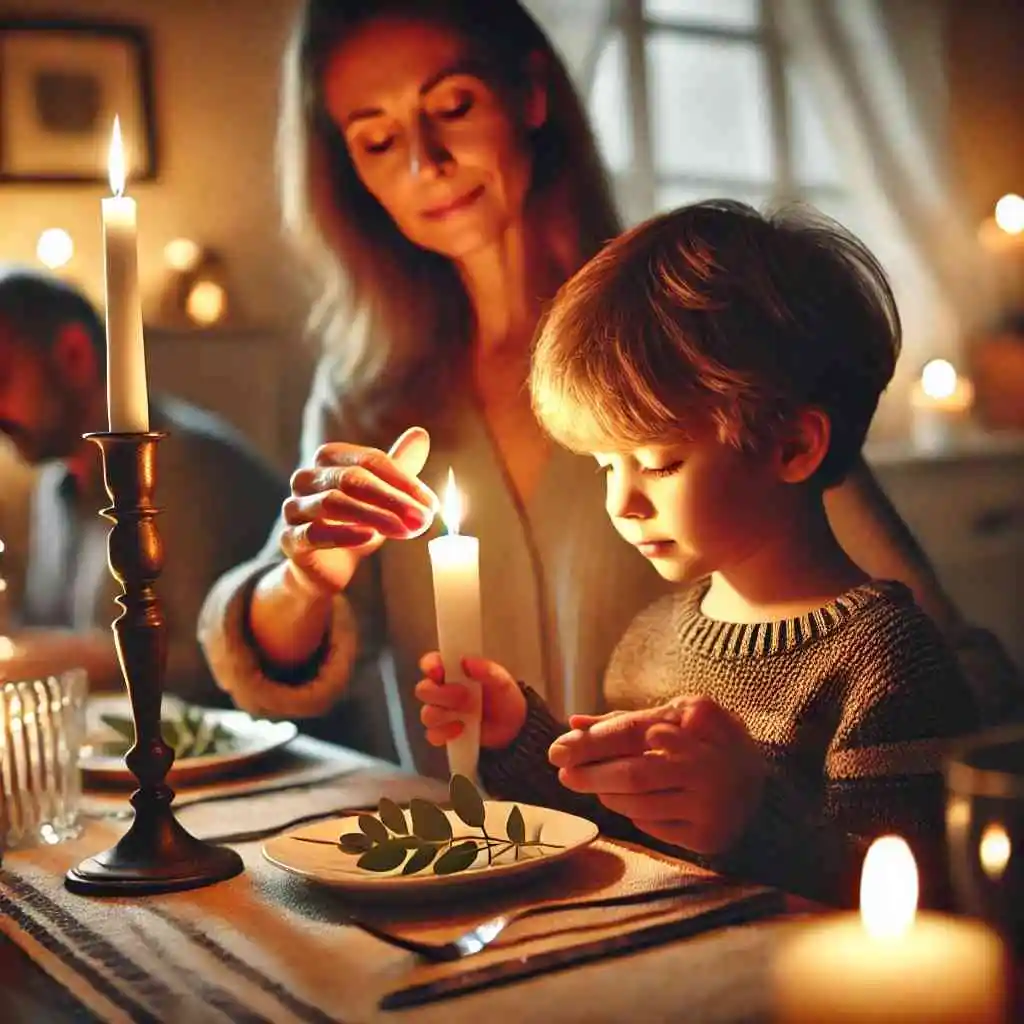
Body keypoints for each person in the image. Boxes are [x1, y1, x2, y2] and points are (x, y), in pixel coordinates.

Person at [198, 0, 1015, 776]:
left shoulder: (686, 329)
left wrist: (793, 812)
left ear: (531, 93)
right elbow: (265, 666)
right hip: (471, 865)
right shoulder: (366, 388)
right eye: (376, 142)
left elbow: (925, 644)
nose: (425, 162)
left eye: (452, 105)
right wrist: (306, 576)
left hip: (702, 871)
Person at [414, 200, 978, 908]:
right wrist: (520, 739)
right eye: (604, 467)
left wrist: (752, 816)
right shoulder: (651, 641)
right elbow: (621, 829)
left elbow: (924, 904)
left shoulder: (884, 664)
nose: (622, 502)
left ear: (792, 447)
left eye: (660, 462)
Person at [0, 267, 286, 704]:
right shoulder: (54, 485)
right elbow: (43, 634)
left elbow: (220, 665)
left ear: (75, 356)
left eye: (1, 380)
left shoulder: (185, 469)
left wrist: (80, 659)